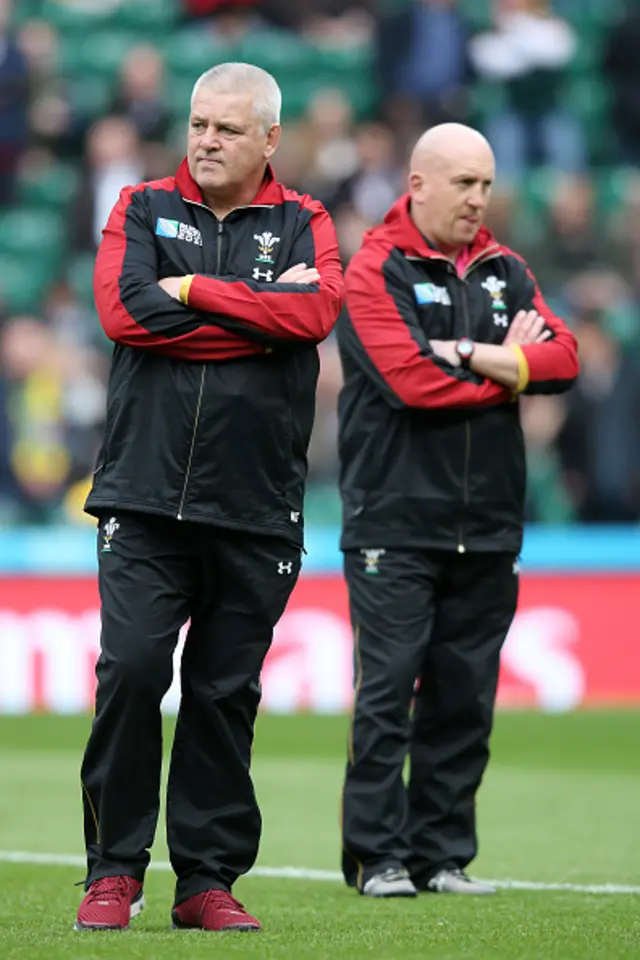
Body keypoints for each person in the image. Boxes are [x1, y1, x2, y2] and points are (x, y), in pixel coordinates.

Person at [75, 62, 344, 933]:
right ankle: (114, 870)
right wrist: (254, 316)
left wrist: (190, 292)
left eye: (227, 129)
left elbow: (313, 320)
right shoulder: (140, 208)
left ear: (270, 138)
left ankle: (204, 880)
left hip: (256, 503)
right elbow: (124, 313)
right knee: (133, 672)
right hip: (144, 496)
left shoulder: (306, 219)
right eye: (198, 124)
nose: (206, 141)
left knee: (225, 693)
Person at [337, 122, 578, 898]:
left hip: (489, 521)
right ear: (418, 184)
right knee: (389, 690)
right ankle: (377, 855)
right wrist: (514, 365)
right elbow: (412, 383)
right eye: (465, 183)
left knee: (464, 697)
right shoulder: (376, 269)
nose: (480, 198)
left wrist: (471, 354)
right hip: (395, 520)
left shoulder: (506, 266)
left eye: (486, 183)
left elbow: (564, 359)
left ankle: (442, 856)